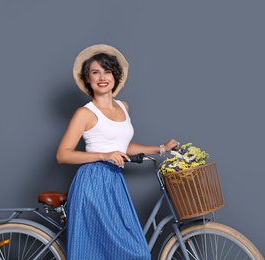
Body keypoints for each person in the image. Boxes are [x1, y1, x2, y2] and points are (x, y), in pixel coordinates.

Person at [56, 43, 179, 260]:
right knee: (113, 253)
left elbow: (124, 146)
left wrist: (161, 148)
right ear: (88, 79)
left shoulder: (123, 106)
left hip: (115, 182)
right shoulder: (85, 113)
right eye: (95, 72)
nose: (102, 77)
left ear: (115, 76)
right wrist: (104, 155)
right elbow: (63, 154)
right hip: (93, 183)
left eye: (107, 71)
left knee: (125, 252)